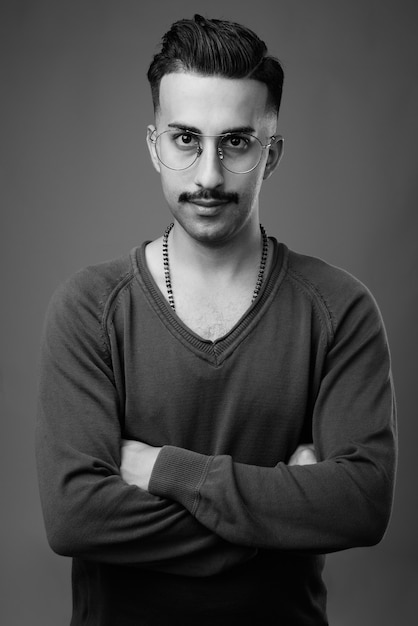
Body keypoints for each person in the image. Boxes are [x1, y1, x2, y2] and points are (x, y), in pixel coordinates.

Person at [36, 14, 397, 626]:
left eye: (235, 142)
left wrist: (160, 469)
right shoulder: (89, 308)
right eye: (184, 139)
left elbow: (360, 505)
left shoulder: (340, 308)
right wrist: (281, 515)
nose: (207, 175)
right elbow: (77, 519)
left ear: (271, 154)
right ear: (154, 146)